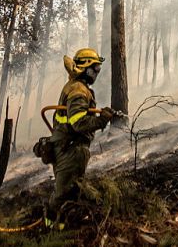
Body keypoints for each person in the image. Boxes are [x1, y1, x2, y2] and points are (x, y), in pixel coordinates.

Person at [45, 48, 116, 230]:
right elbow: (78, 122)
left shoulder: (76, 86)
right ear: (85, 67)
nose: (97, 73)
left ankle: (62, 229)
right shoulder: (78, 90)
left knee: (71, 190)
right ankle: (51, 231)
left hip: (66, 146)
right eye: (96, 69)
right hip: (71, 148)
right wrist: (101, 120)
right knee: (63, 193)